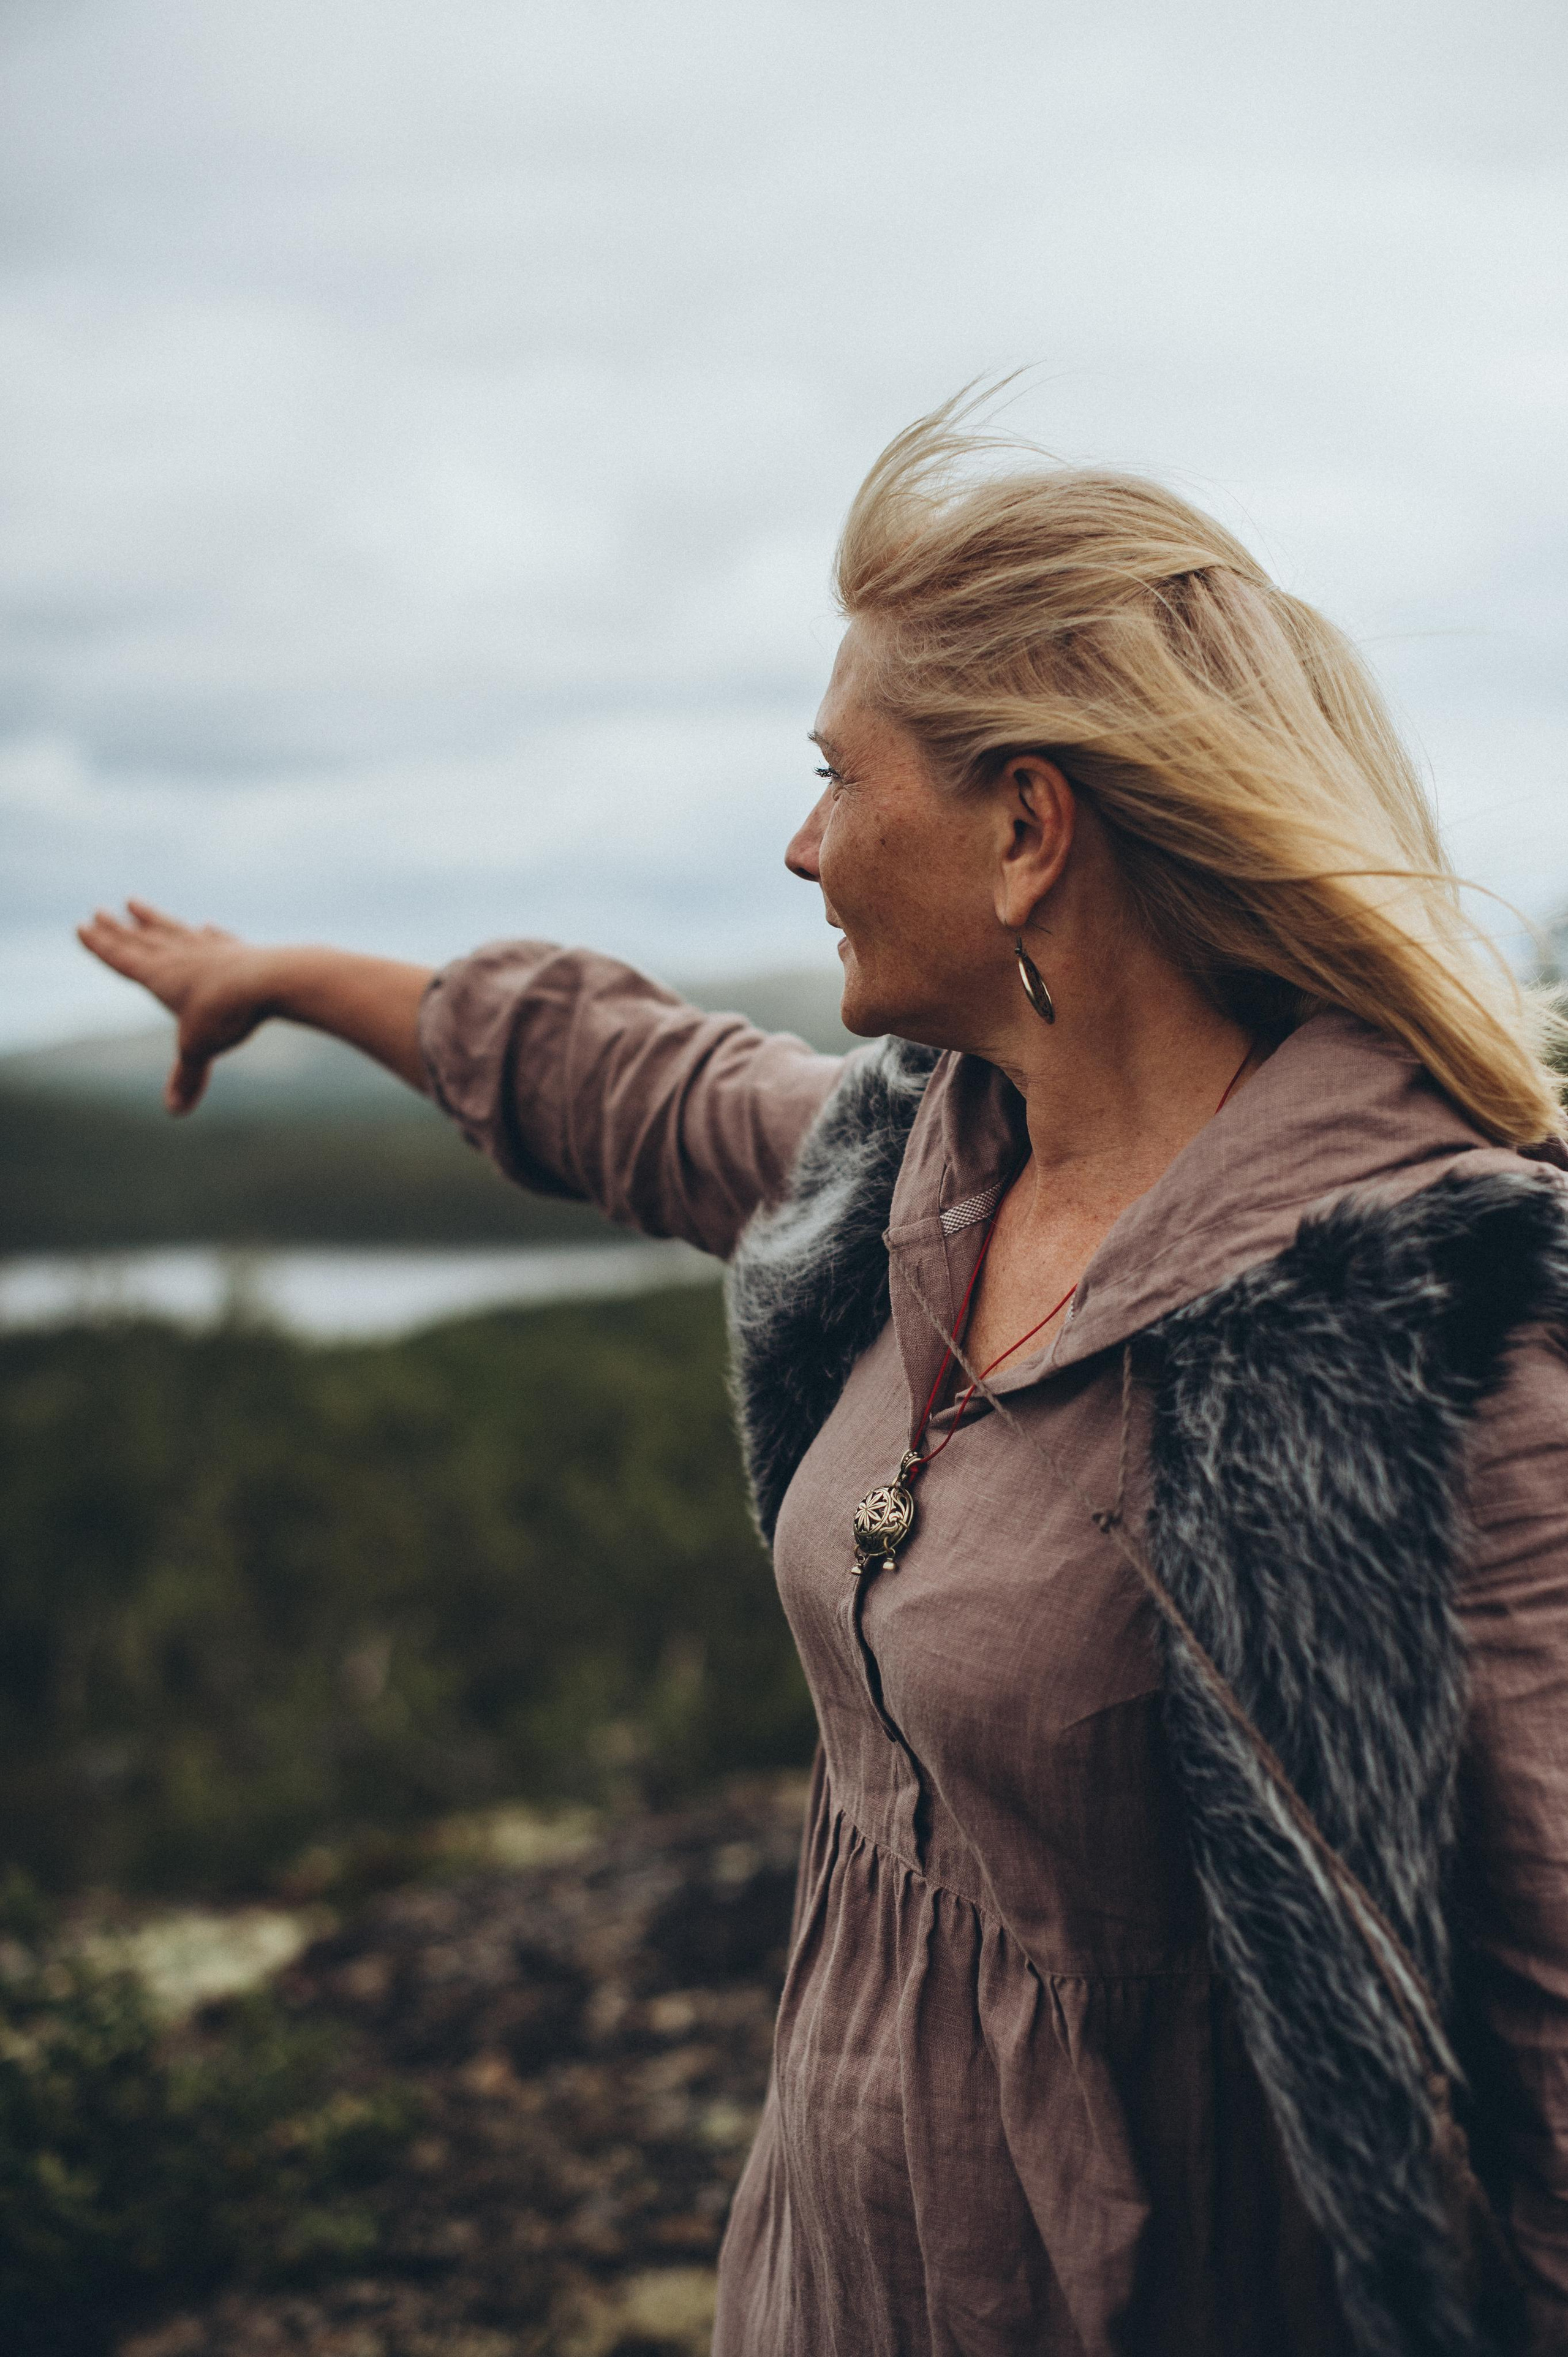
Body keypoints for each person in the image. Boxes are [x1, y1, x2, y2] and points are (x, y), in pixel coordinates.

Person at [78, 400, 1568, 2357]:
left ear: (1028, 831)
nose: (801, 846)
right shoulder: (928, 1167)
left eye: (833, 778)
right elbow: (628, 1084)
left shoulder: (1426, 1338)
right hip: (834, 2265)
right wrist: (282, 976)